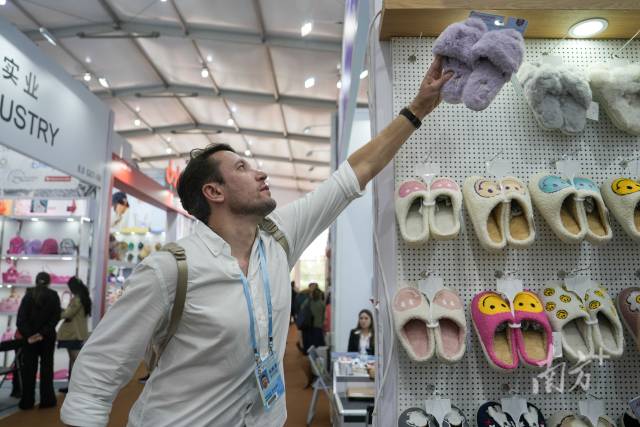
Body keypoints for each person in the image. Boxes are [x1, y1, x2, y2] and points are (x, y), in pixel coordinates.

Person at [60, 56, 452, 427]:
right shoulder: (170, 269)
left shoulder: (279, 237)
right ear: (214, 192)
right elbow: (98, 372)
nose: (260, 173)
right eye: (242, 168)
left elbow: (353, 174)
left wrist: (417, 108)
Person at [16, 271, 61, 410]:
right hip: (47, 338)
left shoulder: (28, 295)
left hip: (29, 340)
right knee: (47, 368)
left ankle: (27, 401)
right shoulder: (53, 295)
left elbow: (21, 319)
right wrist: (42, 333)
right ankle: (47, 400)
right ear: (49, 282)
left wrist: (30, 335)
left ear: (36, 281)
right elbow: (55, 317)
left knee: (29, 370)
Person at [57, 277, 91, 394]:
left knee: (75, 361)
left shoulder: (77, 299)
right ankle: (73, 386)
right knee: (74, 361)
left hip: (72, 334)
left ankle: (76, 386)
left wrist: (57, 313)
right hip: (78, 333)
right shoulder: (84, 298)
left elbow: (68, 314)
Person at [300, 284, 325, 351]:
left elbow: (302, 307)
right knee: (319, 344)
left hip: (310, 325)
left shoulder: (309, 302)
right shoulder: (322, 303)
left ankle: (311, 354)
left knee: (311, 343)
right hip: (319, 326)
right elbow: (324, 315)